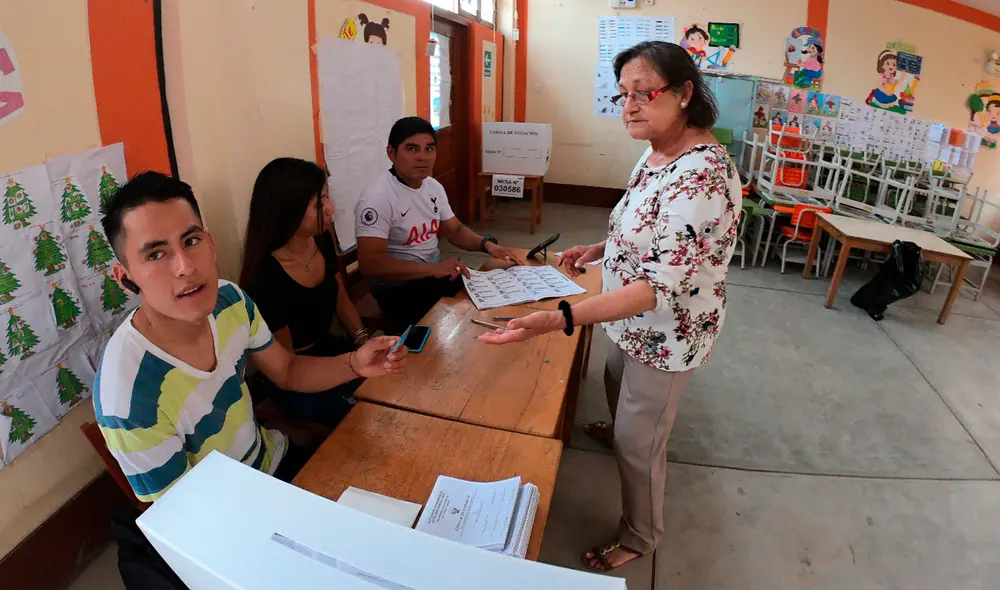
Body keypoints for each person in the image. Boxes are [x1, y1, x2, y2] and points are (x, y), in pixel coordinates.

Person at [479, 41, 742, 572]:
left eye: (644, 94)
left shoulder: (702, 178)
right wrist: (601, 248)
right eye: (623, 94)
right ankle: (621, 426)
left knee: (640, 444)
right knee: (616, 378)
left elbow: (658, 285)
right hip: (631, 321)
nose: (629, 107)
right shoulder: (657, 150)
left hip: (667, 330)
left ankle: (641, 534)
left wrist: (560, 317)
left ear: (685, 93)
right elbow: (641, 222)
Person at [94, 171, 407, 505]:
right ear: (126, 279)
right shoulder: (128, 395)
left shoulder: (229, 301)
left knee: (398, 479)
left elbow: (287, 371)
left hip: (274, 463)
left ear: (210, 244)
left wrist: (355, 364)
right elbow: (186, 518)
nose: (184, 266)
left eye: (191, 241)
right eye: (156, 254)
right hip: (233, 514)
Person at [355, 116, 521, 326]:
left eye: (429, 149)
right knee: (474, 304)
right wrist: (433, 270)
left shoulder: (432, 186)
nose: (423, 157)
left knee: (500, 278)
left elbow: (455, 230)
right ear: (391, 153)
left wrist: (486, 245)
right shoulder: (378, 197)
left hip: (432, 277)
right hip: (396, 288)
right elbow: (371, 264)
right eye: (412, 149)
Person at [239, 158, 367, 428]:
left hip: (330, 350)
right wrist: (351, 364)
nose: (330, 208)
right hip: (296, 373)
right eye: (319, 203)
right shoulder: (265, 276)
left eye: (327, 198)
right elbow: (289, 366)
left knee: (391, 380)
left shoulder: (321, 240)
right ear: (288, 211)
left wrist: (362, 339)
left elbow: (339, 296)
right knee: (361, 414)